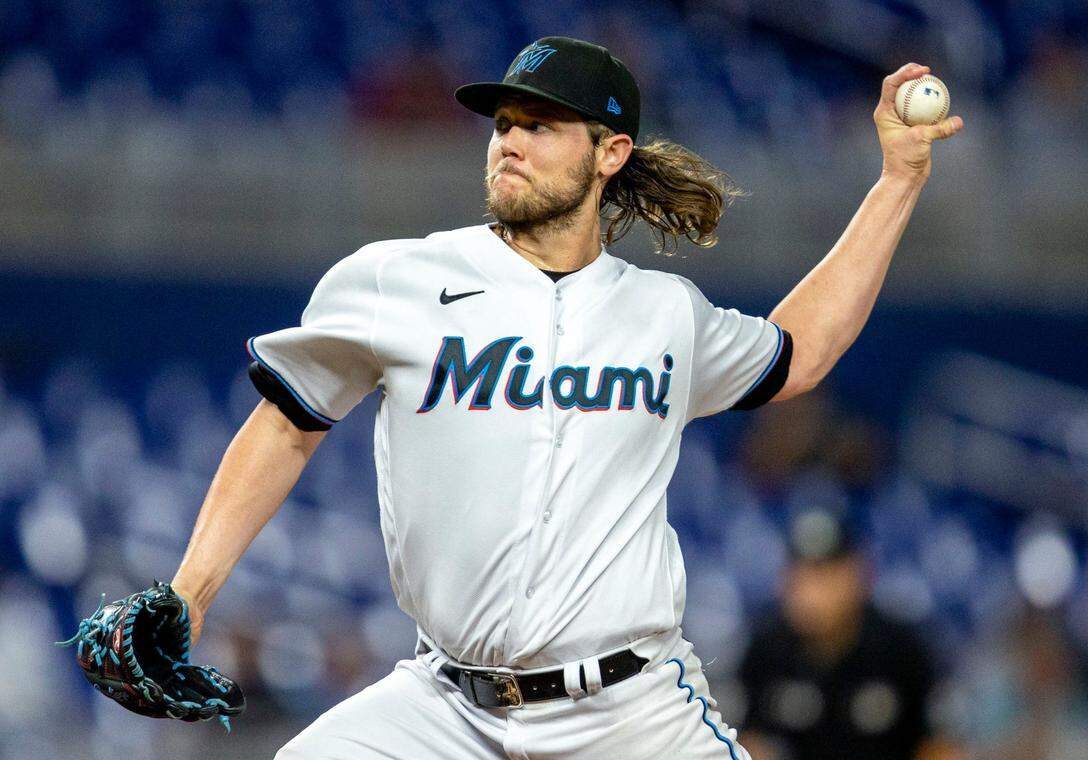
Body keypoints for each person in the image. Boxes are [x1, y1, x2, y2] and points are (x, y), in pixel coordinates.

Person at [168, 36, 963, 759]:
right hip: (445, 707)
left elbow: (800, 353)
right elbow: (284, 427)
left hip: (632, 713)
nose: (509, 141)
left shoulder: (665, 313)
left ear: (611, 151)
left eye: (542, 125)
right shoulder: (396, 280)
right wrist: (187, 597)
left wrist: (898, 178)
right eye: (503, 122)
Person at [737, 509, 957, 760]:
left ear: (858, 575)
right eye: (802, 575)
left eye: (826, 576)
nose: (811, 593)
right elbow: (747, 743)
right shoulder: (766, 650)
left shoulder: (899, 649)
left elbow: (940, 745)